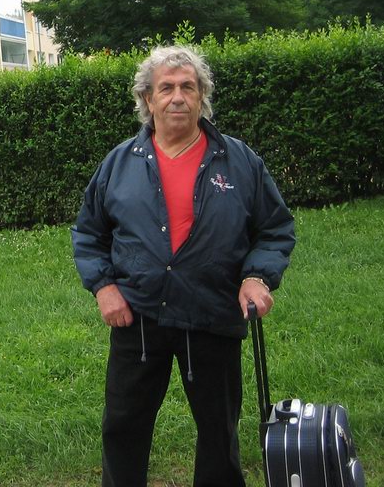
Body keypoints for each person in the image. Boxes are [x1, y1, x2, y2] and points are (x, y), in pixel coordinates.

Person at [72, 45, 295, 487]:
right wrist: (103, 287)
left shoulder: (239, 161)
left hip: (212, 312)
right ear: (148, 99)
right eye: (167, 88)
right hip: (138, 317)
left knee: (218, 434)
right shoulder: (120, 163)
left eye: (188, 87)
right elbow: (89, 233)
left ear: (201, 96)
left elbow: (274, 229)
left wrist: (256, 277)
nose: (178, 97)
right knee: (123, 427)